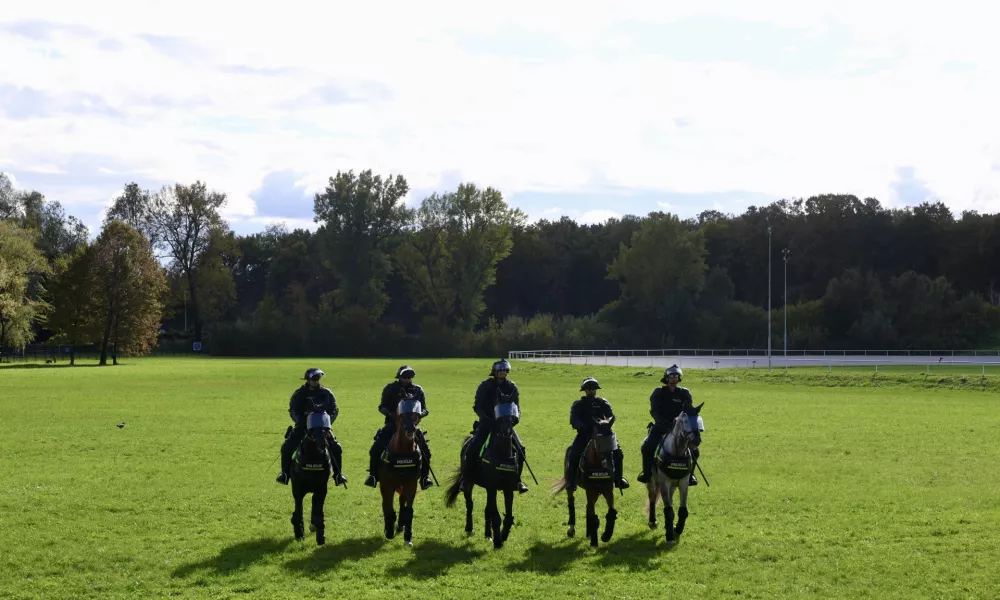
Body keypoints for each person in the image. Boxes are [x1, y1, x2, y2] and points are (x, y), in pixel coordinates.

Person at [459, 359, 529, 494]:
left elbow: (517, 408)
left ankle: (517, 480)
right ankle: (466, 479)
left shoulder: (512, 387)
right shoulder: (485, 386)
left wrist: (515, 420)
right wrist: (486, 418)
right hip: (488, 424)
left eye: (504, 370)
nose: (502, 372)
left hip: (505, 424)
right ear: (494, 372)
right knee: (473, 447)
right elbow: (477, 406)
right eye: (500, 370)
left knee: (521, 450)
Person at [364, 365, 434, 490]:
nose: (407, 379)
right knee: (375, 448)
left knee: (426, 451)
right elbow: (382, 406)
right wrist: (391, 415)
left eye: (409, 377)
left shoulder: (418, 390)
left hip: (412, 425)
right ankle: (373, 476)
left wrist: (419, 415)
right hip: (393, 424)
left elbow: (424, 409)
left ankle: (425, 478)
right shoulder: (390, 388)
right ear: (399, 377)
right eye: (404, 377)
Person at [276, 368, 346, 486]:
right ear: (308, 379)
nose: (315, 381)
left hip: (323, 427)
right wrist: (301, 421)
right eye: (313, 379)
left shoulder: (327, 393)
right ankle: (285, 474)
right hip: (303, 426)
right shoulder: (299, 394)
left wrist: (328, 424)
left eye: (317, 379)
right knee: (287, 446)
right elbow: (293, 410)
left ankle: (338, 475)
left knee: (336, 447)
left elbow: (334, 410)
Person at [636, 364, 699, 485]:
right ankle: (647, 474)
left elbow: (688, 411)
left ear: (678, 378)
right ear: (666, 378)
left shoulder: (685, 393)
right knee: (647, 447)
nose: (674, 378)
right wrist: (661, 422)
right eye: (671, 376)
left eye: (676, 376)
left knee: (695, 451)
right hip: (661, 426)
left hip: (680, 428)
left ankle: (690, 476)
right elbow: (654, 410)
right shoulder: (658, 392)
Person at [566, 377, 629, 491]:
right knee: (573, 454)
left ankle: (619, 479)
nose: (592, 391)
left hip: (603, 435)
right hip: (584, 435)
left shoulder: (602, 402)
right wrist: (582, 427)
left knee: (618, 453)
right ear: (585, 390)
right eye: (589, 389)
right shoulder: (578, 404)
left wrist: (606, 423)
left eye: (594, 389)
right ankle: (571, 481)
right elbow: (573, 419)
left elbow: (610, 415)